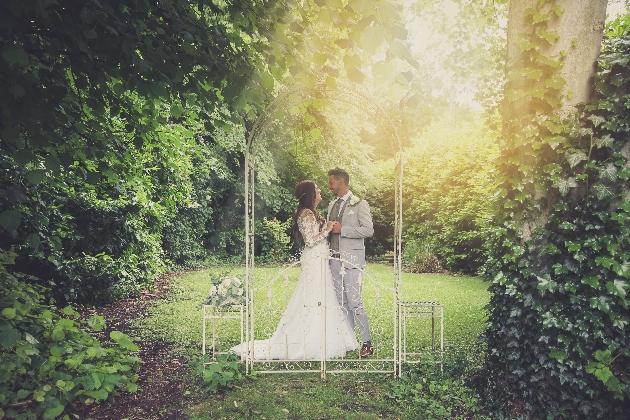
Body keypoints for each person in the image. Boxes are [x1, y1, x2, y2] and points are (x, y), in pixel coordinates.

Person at [231, 180, 358, 360]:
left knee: (323, 298)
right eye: (317, 189)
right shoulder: (306, 214)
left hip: (320, 261)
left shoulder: (312, 212)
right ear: (310, 194)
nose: (320, 190)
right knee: (313, 298)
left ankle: (326, 338)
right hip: (313, 261)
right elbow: (310, 240)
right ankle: (308, 340)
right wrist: (327, 229)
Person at [327, 168, 375, 358]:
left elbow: (368, 230)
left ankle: (367, 342)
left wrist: (343, 229)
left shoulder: (360, 204)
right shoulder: (331, 205)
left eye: (331, 182)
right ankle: (349, 342)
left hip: (352, 259)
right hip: (334, 260)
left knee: (355, 301)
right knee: (341, 303)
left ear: (340, 181)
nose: (329, 186)